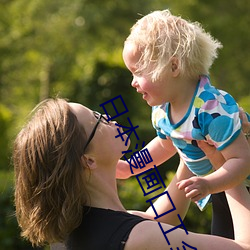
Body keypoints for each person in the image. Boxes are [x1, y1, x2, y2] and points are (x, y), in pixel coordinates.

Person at [13, 98, 250, 250]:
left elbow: (160, 219)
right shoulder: (139, 238)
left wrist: (190, 137)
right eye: (98, 120)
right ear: (88, 160)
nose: (109, 118)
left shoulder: (78, 232)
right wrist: (226, 165)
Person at [119, 9, 250, 239]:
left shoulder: (210, 109)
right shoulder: (162, 110)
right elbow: (165, 145)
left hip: (239, 186)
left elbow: (242, 160)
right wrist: (130, 167)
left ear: (173, 67)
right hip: (220, 190)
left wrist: (209, 184)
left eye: (138, 72)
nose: (133, 82)